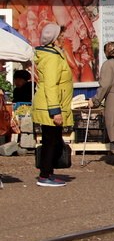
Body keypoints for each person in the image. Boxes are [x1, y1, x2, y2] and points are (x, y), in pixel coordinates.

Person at [32, 23, 73, 187]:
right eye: (61, 37)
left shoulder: (55, 55)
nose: (64, 40)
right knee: (50, 141)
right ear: (54, 40)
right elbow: (50, 85)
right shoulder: (52, 58)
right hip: (50, 106)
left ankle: (48, 172)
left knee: (53, 140)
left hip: (53, 104)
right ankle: (44, 175)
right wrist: (55, 110)